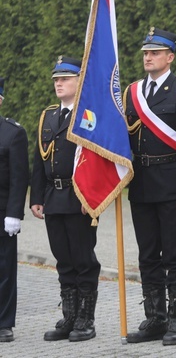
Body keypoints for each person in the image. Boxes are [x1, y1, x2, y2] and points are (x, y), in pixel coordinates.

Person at [124, 27, 176, 345]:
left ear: (170, 57)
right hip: (141, 185)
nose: (148, 57)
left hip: (172, 186)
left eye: (155, 52)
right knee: (147, 256)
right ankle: (155, 318)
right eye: (145, 52)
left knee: (175, 256)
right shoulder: (132, 93)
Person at [30, 57, 100, 342]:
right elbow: (39, 158)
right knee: (63, 260)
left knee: (84, 260)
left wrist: (92, 197)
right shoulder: (48, 116)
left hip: (80, 198)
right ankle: (69, 316)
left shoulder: (88, 115)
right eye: (56, 79)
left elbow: (97, 159)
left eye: (65, 79)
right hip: (54, 197)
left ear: (79, 81)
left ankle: (86, 319)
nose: (58, 83)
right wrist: (36, 197)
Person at [0, 77, 29, 344]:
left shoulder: (13, 133)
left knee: (5, 269)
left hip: (2, 214)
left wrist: (14, 213)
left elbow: (20, 177)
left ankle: (4, 323)